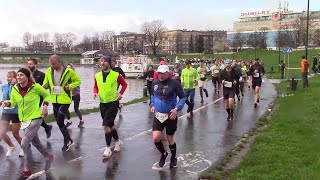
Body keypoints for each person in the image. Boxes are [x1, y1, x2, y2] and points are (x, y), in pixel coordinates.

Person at [1, 68, 54, 179]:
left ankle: (27, 169)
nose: (19, 77)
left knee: (25, 142)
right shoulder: (15, 89)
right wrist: (7, 103)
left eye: (21, 75)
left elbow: (47, 95)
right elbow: (13, 102)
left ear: (27, 76)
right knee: (36, 142)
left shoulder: (35, 87)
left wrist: (45, 106)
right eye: (18, 75)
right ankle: (48, 156)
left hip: (35, 117)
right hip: (24, 120)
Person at [42, 55, 81, 151]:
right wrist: (44, 86)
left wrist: (70, 86)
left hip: (65, 99)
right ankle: (69, 139)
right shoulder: (49, 71)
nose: (53, 66)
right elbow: (46, 83)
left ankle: (66, 141)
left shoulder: (68, 71)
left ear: (59, 62)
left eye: (54, 64)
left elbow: (78, 81)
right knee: (59, 122)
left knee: (60, 120)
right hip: (54, 99)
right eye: (51, 64)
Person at [150, 64, 186, 168]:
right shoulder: (154, 83)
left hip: (170, 115)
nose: (160, 75)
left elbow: (183, 98)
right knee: (156, 138)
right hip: (158, 115)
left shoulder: (174, 83)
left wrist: (176, 109)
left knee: (170, 138)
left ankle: (173, 157)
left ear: (168, 73)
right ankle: (163, 153)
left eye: (163, 73)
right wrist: (152, 104)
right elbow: (152, 95)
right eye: (159, 73)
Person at [93, 56, 127, 159]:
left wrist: (120, 93)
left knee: (105, 126)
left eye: (104, 61)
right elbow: (95, 86)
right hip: (102, 103)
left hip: (113, 102)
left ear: (109, 63)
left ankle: (107, 148)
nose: (102, 63)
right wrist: (95, 93)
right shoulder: (97, 75)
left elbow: (124, 85)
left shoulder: (116, 75)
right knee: (111, 125)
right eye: (101, 61)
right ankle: (117, 142)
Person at [27, 58, 53, 138]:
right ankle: (47, 127)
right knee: (34, 114)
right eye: (28, 64)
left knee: (33, 114)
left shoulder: (41, 74)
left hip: (38, 97)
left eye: (30, 64)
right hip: (28, 97)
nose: (29, 66)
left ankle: (31, 133)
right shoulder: (26, 74)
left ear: (35, 65)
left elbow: (46, 86)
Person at [0, 71, 23, 157]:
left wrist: (13, 85)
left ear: (15, 78)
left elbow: (12, 96)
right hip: (6, 112)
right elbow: (5, 98)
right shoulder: (4, 86)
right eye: (7, 76)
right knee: (1, 132)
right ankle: (11, 146)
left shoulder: (18, 87)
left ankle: (24, 147)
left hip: (15, 112)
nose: (8, 78)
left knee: (15, 133)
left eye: (10, 77)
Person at [65, 63, 84, 128]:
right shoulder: (66, 77)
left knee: (76, 109)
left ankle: (81, 120)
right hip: (69, 95)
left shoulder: (75, 76)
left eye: (70, 68)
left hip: (76, 95)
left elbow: (76, 85)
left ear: (72, 69)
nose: (68, 69)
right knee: (65, 108)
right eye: (67, 68)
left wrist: (70, 86)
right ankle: (69, 121)